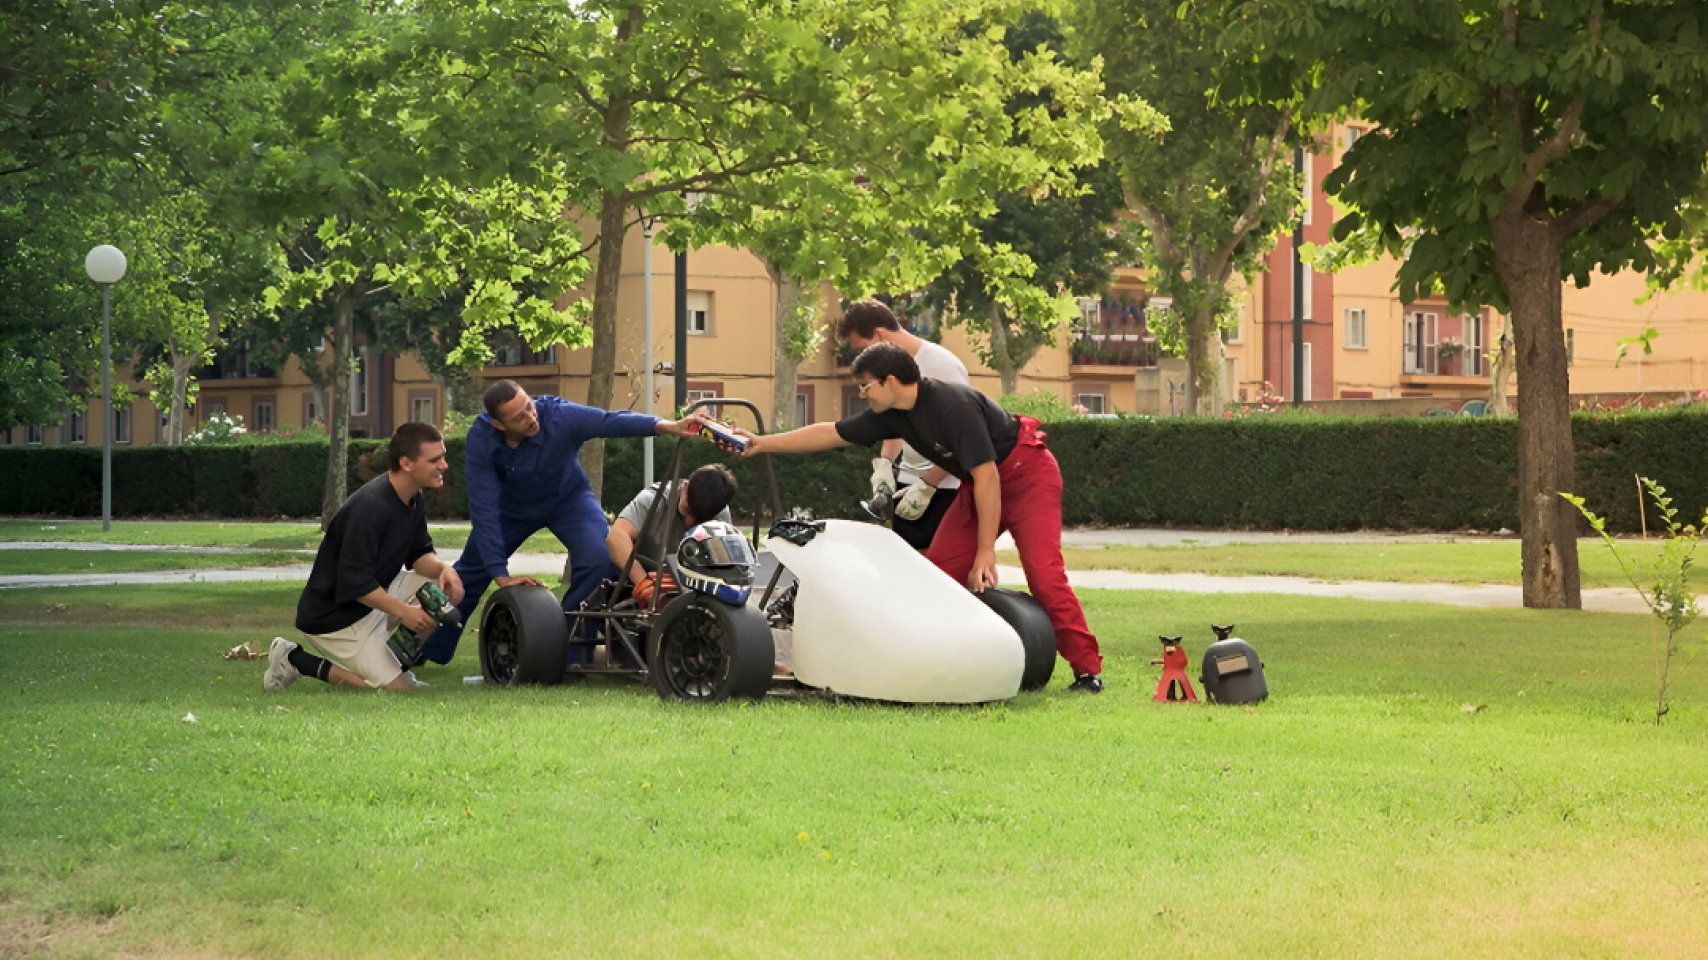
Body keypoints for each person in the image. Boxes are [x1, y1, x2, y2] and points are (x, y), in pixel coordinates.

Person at [734, 342, 1105, 693]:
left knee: (1044, 574)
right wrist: (761, 443)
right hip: (977, 483)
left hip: (1026, 474)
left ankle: (1087, 670)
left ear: (890, 381)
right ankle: (950, 661)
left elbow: (989, 476)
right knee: (937, 573)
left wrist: (985, 552)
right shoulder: (893, 415)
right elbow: (832, 433)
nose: (862, 394)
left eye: (865, 386)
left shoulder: (951, 404)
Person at [420, 380, 704, 663]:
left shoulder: (558, 415)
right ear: (498, 424)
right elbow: (484, 508)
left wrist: (667, 426)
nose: (531, 418)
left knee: (600, 560)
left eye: (529, 407)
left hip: (569, 500)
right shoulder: (481, 439)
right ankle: (425, 651)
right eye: (519, 417)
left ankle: (564, 650)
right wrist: (501, 576)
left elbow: (610, 421)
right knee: (468, 573)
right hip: (511, 510)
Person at [265, 422, 465, 692]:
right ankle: (294, 659)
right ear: (406, 463)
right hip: (336, 618)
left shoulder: (412, 498)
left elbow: (418, 556)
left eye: (443, 456)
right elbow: (356, 585)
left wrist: (442, 568)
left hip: (373, 598)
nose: (444, 465)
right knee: (392, 692)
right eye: (435, 459)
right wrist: (404, 612)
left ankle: (398, 666)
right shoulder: (370, 508)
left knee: (443, 594)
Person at [836, 298, 970, 550]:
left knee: (938, 571)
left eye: (861, 348)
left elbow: (962, 439)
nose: (861, 358)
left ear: (879, 335)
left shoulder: (941, 365)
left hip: (945, 488)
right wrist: (886, 464)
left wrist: (929, 483)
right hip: (910, 483)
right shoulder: (889, 371)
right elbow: (897, 422)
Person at [606, 463, 739, 600]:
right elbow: (616, 537)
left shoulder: (720, 513)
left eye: (699, 520)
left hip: (689, 588)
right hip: (638, 582)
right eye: (688, 510)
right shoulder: (654, 499)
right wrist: (644, 584)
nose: (689, 522)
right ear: (685, 487)